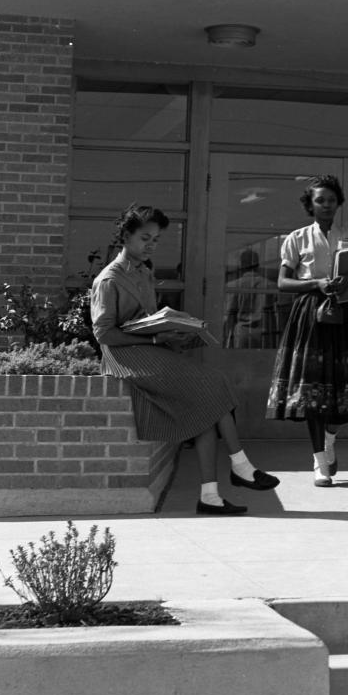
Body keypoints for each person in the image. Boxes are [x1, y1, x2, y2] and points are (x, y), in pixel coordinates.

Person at [89, 202, 278, 516]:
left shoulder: (144, 273)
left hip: (148, 351)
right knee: (214, 383)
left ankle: (210, 497)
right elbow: (104, 335)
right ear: (126, 236)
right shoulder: (109, 280)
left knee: (204, 407)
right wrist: (153, 337)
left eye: (156, 240)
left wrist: (174, 331)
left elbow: (146, 319)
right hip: (124, 358)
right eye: (144, 238)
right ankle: (241, 466)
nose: (150, 245)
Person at [267, 173, 348, 485]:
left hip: (347, 312)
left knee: (345, 386)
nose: (326, 205)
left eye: (331, 200)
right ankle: (319, 459)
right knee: (312, 389)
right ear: (310, 203)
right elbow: (282, 281)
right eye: (320, 200)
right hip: (311, 314)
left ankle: (330, 439)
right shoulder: (297, 238)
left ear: (339, 203)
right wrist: (316, 282)